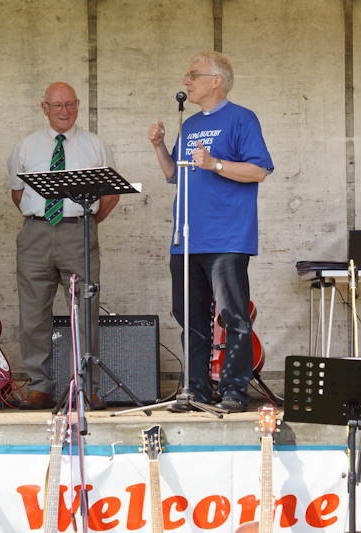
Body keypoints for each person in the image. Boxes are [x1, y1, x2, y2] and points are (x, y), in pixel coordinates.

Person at [147, 51, 274, 413]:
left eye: (193, 74)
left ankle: (235, 390)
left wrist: (215, 163)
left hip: (226, 237)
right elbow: (175, 174)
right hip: (186, 238)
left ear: (216, 81)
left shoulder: (241, 119)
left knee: (233, 316)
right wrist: (158, 145)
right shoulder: (188, 125)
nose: (186, 81)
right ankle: (196, 391)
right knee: (190, 318)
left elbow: (258, 171)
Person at [8, 82, 119, 410]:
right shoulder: (26, 146)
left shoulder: (95, 145)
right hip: (36, 234)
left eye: (70, 105)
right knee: (33, 314)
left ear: (78, 105)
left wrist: (85, 225)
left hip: (79, 232)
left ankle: (87, 388)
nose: (64, 111)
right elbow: (18, 194)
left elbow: (110, 195)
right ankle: (40, 386)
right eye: (56, 105)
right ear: (44, 108)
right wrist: (43, 220)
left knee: (86, 311)